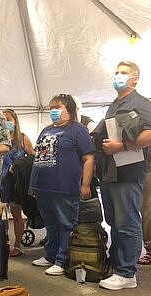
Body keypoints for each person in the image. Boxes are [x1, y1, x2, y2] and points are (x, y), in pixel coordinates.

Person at [96, 61, 151, 290]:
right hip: (110, 172)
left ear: (135, 79)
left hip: (128, 171)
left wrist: (122, 146)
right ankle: (117, 266)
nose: (118, 76)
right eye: (116, 72)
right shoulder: (114, 104)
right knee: (114, 221)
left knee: (127, 222)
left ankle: (127, 273)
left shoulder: (140, 103)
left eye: (123, 73)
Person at [30, 94, 95, 276]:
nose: (53, 110)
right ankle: (50, 255)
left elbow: (89, 158)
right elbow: (38, 157)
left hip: (65, 186)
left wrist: (85, 184)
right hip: (44, 187)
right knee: (50, 224)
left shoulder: (78, 130)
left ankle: (63, 260)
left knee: (66, 223)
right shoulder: (46, 130)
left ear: (70, 110)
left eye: (57, 107)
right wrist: (33, 183)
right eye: (51, 107)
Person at [0, 109, 34, 256]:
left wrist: (19, 166)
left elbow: (32, 159)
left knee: (16, 214)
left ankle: (17, 245)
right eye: (3, 120)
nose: (6, 122)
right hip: (0, 182)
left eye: (8, 119)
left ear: (15, 121)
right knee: (0, 216)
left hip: (15, 183)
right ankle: (3, 244)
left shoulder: (23, 139)